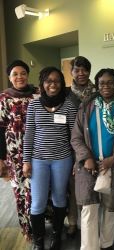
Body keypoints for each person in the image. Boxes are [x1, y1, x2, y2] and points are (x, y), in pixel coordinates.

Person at [71, 68, 114, 250]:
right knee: (89, 208)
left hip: (112, 165)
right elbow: (76, 137)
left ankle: (106, 244)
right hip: (88, 165)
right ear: (97, 85)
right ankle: (89, 247)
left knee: (110, 208)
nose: (106, 86)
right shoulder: (86, 107)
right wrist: (86, 157)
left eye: (110, 82)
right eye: (102, 83)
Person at [22, 66, 78, 250]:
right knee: (37, 202)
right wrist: (26, 161)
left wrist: (77, 160)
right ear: (43, 83)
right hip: (38, 160)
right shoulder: (34, 105)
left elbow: (74, 135)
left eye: (57, 81)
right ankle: (38, 240)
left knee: (59, 198)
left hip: (62, 160)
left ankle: (56, 235)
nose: (53, 84)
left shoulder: (69, 105)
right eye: (49, 81)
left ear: (62, 84)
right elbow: (29, 134)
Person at [0, 59, 39, 240]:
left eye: (23, 73)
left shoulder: (37, 94)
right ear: (9, 77)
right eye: (15, 74)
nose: (19, 77)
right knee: (21, 193)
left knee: (38, 189)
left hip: (38, 150)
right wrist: (1, 158)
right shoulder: (4, 98)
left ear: (27, 75)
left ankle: (39, 223)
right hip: (14, 154)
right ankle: (27, 228)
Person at [65, 56, 96, 238]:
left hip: (91, 145)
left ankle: (90, 224)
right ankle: (72, 222)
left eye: (84, 69)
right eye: (77, 70)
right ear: (72, 73)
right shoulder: (66, 93)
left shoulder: (97, 91)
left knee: (89, 186)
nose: (81, 73)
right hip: (69, 145)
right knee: (72, 186)